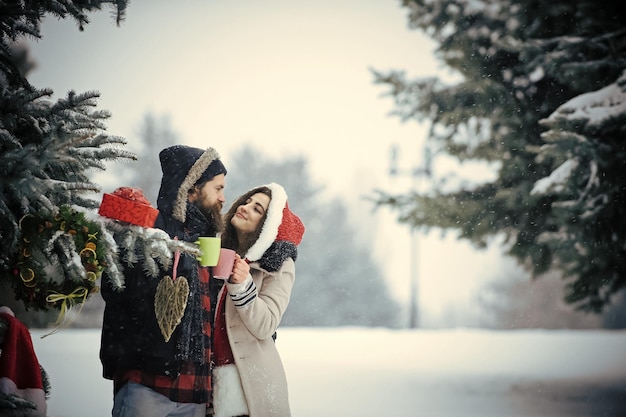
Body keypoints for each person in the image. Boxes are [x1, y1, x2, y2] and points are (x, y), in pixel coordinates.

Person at [100, 145, 227, 417]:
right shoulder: (149, 232)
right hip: (146, 385)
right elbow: (113, 287)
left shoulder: (206, 244)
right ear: (191, 189)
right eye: (217, 188)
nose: (223, 197)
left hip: (196, 392)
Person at [210, 183, 305, 417]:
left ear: (267, 225)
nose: (245, 207)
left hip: (248, 387)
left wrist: (242, 285)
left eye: (257, 209)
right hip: (203, 385)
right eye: (247, 201)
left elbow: (266, 325)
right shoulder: (216, 248)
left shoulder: (279, 265)